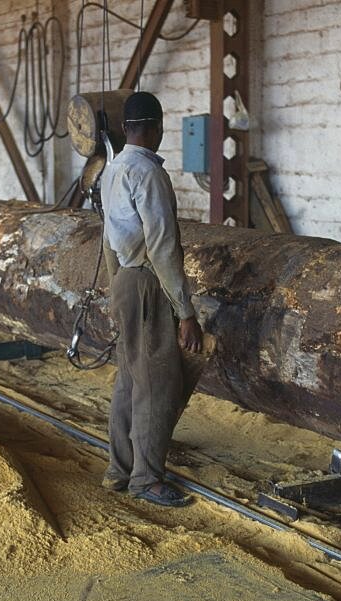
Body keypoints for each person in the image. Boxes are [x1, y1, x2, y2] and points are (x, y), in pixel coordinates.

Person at [99, 91, 203, 508]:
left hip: (125, 279)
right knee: (158, 382)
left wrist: (115, 288)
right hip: (147, 283)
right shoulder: (149, 174)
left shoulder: (111, 170)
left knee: (129, 377)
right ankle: (146, 479)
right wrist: (186, 312)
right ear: (157, 127)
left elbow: (108, 237)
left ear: (126, 129)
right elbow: (162, 246)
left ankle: (118, 470)